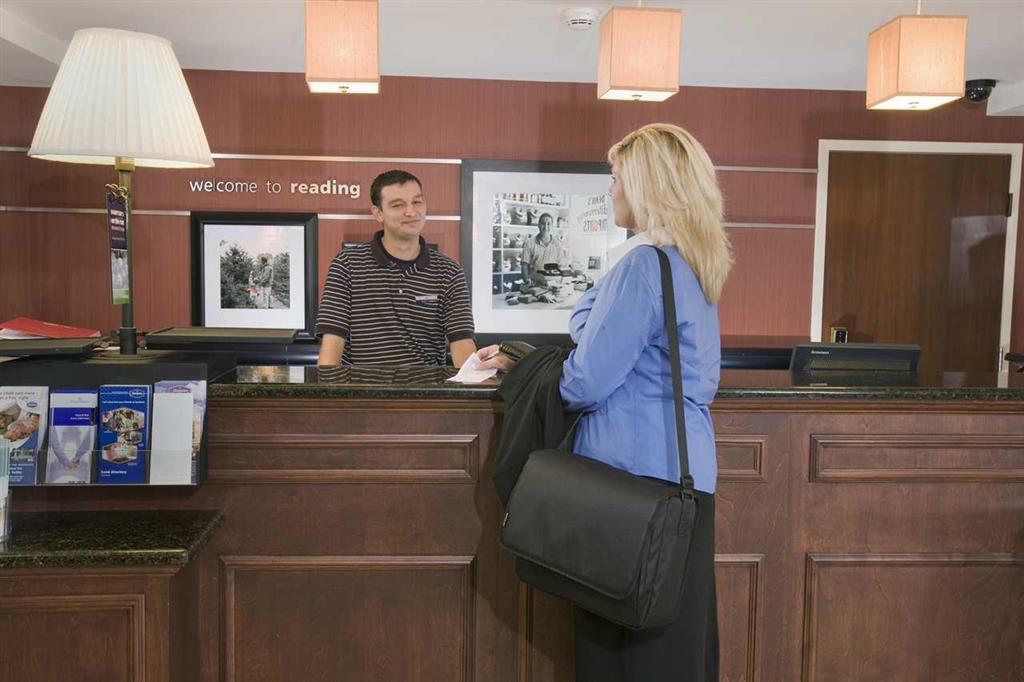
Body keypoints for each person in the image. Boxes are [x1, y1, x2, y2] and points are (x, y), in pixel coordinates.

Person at [480, 123, 732, 682]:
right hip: (682, 486)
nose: (610, 190)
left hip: (628, 488)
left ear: (646, 186)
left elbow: (585, 382)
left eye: (616, 178)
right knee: (673, 648)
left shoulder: (643, 267)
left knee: (622, 657)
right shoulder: (693, 264)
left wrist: (537, 367)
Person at [316, 170, 478, 366]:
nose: (411, 211)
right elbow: (332, 345)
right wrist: (329, 394)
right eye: (398, 205)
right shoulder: (347, 265)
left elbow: (462, 345)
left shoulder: (449, 272)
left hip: (428, 392)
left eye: (417, 202)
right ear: (378, 213)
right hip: (363, 392)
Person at [520, 211, 562, 289]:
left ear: (552, 226)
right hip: (535, 284)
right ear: (538, 225)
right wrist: (527, 280)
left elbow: (560, 265)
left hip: (553, 285)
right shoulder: (529, 243)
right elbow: (524, 265)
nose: (546, 227)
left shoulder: (558, 244)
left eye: (548, 224)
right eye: (543, 224)